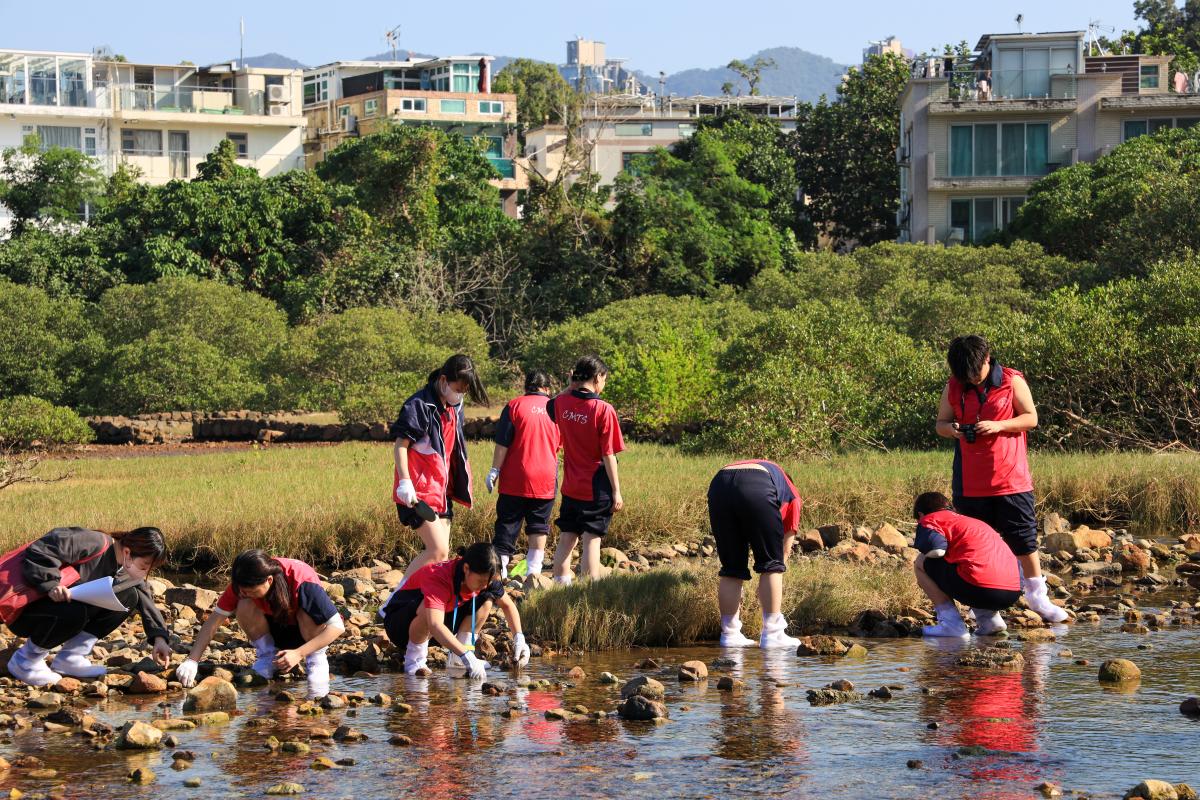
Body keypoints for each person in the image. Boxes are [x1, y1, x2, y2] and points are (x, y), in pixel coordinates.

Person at [936, 335, 1067, 624]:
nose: (971, 379)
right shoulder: (954, 385)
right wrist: (953, 429)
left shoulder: (1011, 380)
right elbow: (940, 424)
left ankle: (1038, 598)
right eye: (965, 375)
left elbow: (1031, 418)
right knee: (975, 544)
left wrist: (999, 426)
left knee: (1023, 539)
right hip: (969, 482)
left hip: (1011, 479)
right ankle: (984, 611)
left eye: (975, 373)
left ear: (987, 358)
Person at [2, 526, 170, 687]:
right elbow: (41, 549)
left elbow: (145, 598)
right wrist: (51, 585)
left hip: (57, 611)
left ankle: (71, 658)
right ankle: (26, 661)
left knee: (129, 597)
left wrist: (160, 638)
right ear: (127, 552)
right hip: (22, 610)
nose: (143, 573)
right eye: (143, 567)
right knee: (76, 611)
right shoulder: (93, 541)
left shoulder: (125, 570)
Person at [177, 550, 344, 697]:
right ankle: (268, 655)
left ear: (269, 580)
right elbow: (213, 623)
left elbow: (337, 627)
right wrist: (192, 660)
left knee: (307, 613)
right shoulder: (242, 584)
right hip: (275, 630)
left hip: (308, 636)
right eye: (241, 589)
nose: (243, 593)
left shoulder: (301, 580)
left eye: (250, 590)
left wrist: (299, 654)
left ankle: (316, 661)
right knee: (243, 604)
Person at [391, 354, 489, 589]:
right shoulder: (419, 405)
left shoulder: (454, 407)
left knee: (440, 559)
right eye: (458, 389)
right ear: (444, 380)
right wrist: (405, 482)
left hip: (442, 493)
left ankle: (419, 600)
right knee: (438, 550)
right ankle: (396, 598)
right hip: (417, 492)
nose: (460, 394)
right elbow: (400, 446)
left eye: (464, 391)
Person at [380, 542, 529, 679]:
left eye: (488, 582)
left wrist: (519, 638)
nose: (485, 585)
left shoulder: (486, 578)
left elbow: (508, 606)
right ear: (466, 569)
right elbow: (435, 624)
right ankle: (414, 661)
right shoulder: (439, 577)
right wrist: (467, 656)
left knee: (487, 598)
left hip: (438, 627)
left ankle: (458, 660)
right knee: (428, 606)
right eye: (481, 581)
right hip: (400, 626)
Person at [707, 460, 804, 649]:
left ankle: (730, 635)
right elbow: (784, 551)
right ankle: (773, 634)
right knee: (772, 564)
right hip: (757, 484)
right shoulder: (793, 494)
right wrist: (770, 577)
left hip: (720, 483)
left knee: (731, 568)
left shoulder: (773, 474)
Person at [548, 356, 625, 584]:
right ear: (598, 377)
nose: (604, 384)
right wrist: (616, 491)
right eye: (605, 379)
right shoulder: (603, 409)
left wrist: (569, 387)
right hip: (596, 487)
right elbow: (608, 454)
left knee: (567, 537)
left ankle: (560, 586)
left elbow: (550, 405)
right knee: (592, 539)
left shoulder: (562, 403)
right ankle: (589, 590)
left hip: (571, 485)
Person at [912, 491, 1022, 638]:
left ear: (920, 514)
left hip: (980, 589)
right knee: (970, 563)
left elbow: (936, 551)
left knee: (921, 562)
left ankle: (951, 625)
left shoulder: (930, 519)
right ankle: (990, 620)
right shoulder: (974, 522)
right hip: (1013, 591)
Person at [486, 369, 561, 579]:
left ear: (526, 387)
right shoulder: (556, 409)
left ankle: (500, 572)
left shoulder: (514, 405)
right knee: (538, 525)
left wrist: (494, 470)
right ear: (547, 389)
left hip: (515, 478)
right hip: (545, 479)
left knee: (508, 523)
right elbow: (559, 445)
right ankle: (534, 572)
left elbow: (503, 443)